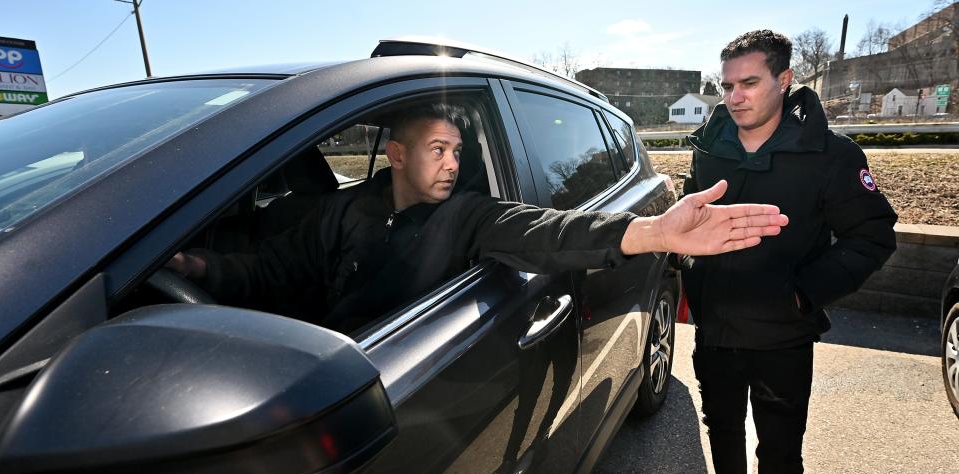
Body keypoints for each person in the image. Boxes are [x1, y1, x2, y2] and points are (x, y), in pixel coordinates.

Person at [168, 103, 788, 332]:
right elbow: (272, 269)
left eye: (457, 151)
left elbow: (549, 232)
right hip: (330, 357)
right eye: (437, 150)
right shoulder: (347, 209)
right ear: (397, 155)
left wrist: (652, 232)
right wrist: (198, 266)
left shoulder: (468, 216)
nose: (450, 163)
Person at [673, 31, 897, 474]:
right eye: (727, 86)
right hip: (716, 326)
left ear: (784, 80)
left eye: (749, 83)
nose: (735, 97)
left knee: (779, 447)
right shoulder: (710, 143)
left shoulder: (831, 155)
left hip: (782, 335)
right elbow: (692, 205)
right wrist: (685, 260)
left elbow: (872, 235)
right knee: (720, 422)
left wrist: (803, 292)